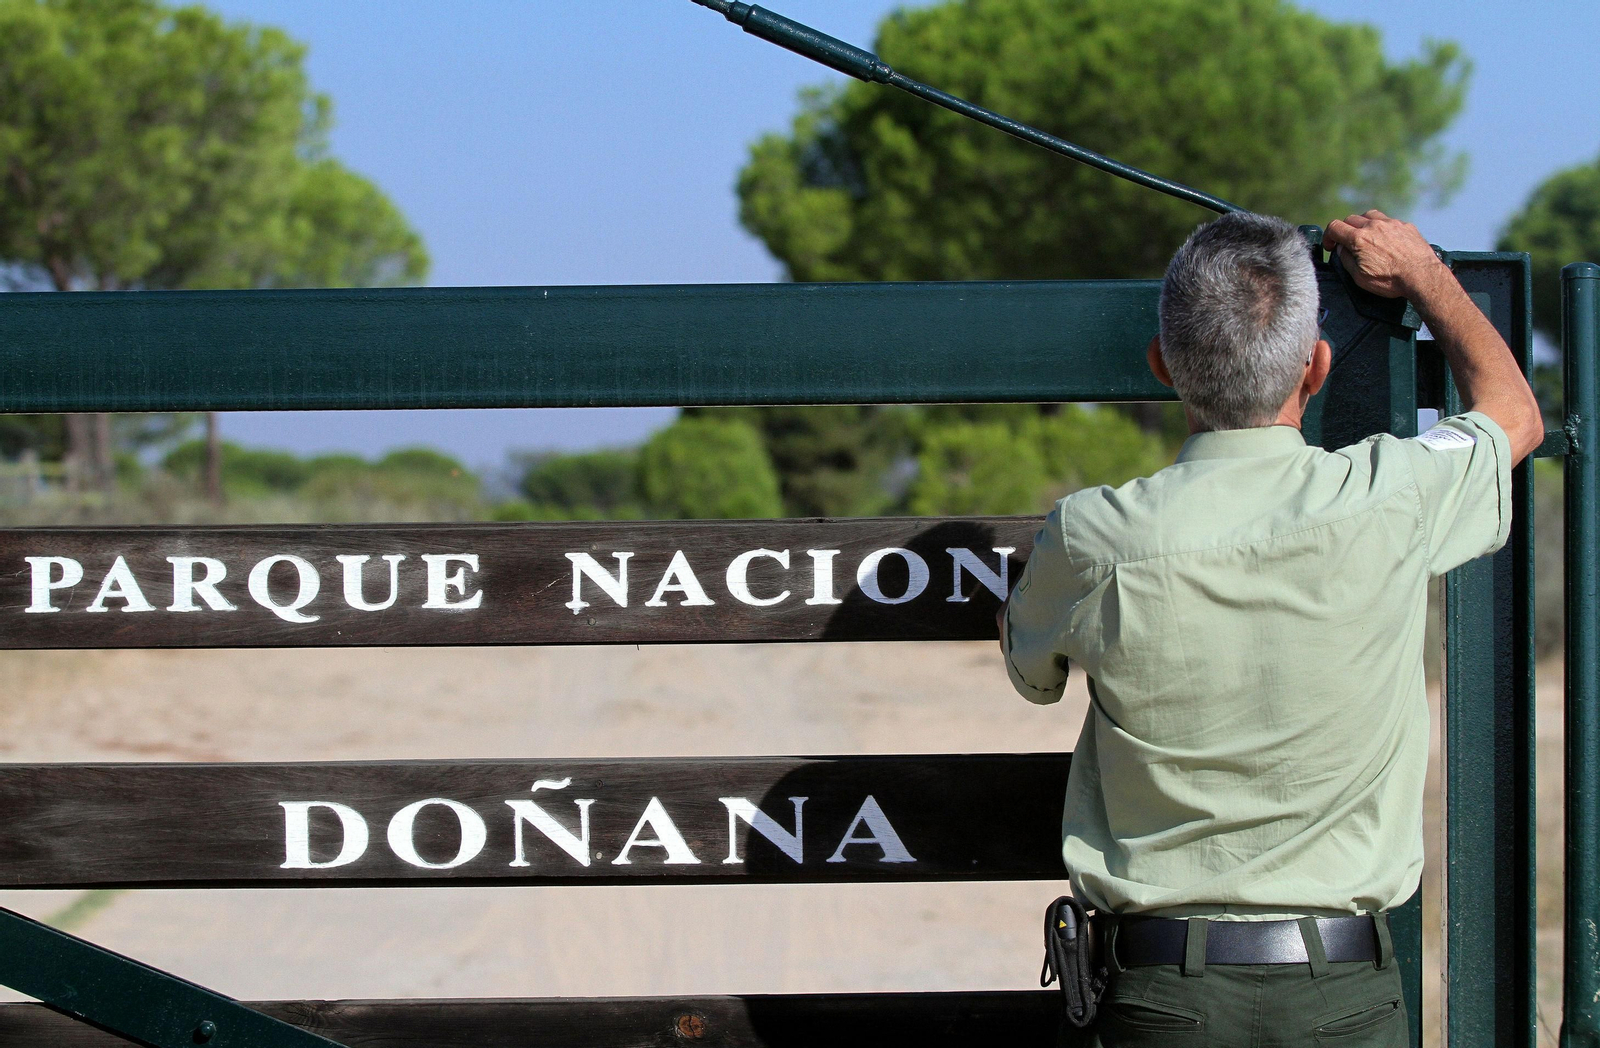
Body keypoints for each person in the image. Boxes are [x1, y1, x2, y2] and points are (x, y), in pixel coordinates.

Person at [1000, 210, 1543, 1047]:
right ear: (1315, 368)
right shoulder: (1390, 496)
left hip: (1159, 995)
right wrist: (1426, 275)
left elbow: (1033, 677)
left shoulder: (1092, 535)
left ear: (1161, 366)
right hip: (1344, 997)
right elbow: (1514, 413)